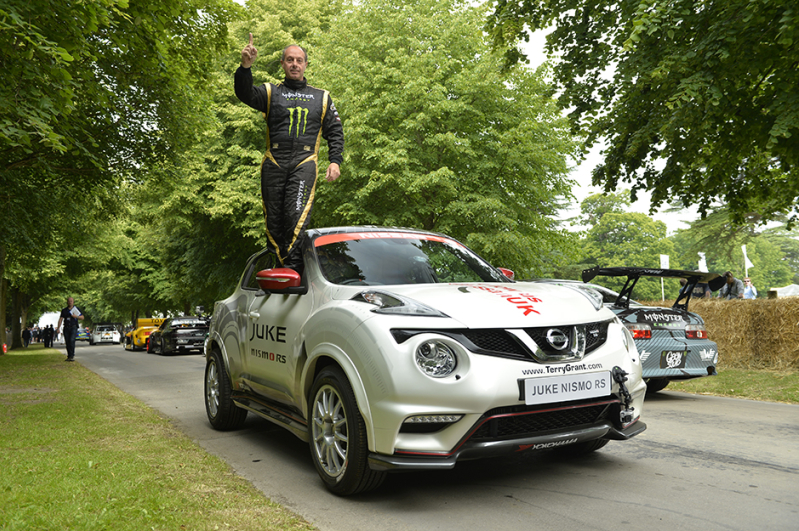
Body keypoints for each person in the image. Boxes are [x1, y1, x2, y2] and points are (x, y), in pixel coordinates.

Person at [234, 35, 344, 273]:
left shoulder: (322, 96)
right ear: (283, 64)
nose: (295, 64)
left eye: (299, 60)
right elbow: (244, 94)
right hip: (274, 162)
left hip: (304, 162)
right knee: (273, 220)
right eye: (290, 60)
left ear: (305, 65)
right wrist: (245, 67)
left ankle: (293, 270)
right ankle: (278, 269)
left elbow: (335, 131)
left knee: (295, 216)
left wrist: (335, 160)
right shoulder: (271, 92)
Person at [56, 297, 84, 361]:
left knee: (72, 340)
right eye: (68, 301)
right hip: (66, 327)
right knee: (67, 342)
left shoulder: (76, 309)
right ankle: (69, 356)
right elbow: (60, 319)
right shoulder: (64, 310)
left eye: (71, 301)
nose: (70, 302)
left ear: (73, 302)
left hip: (73, 327)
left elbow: (82, 317)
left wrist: (76, 316)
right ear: (67, 302)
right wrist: (58, 328)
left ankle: (72, 355)